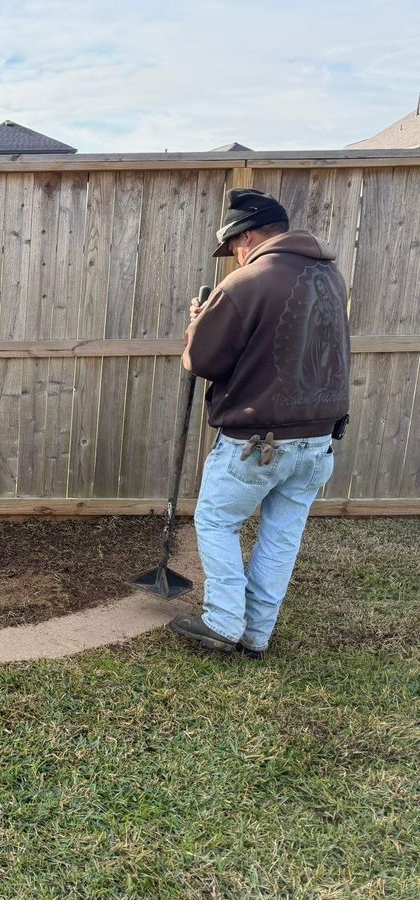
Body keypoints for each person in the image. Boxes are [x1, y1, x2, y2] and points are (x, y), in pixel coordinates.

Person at [169, 188, 350, 659]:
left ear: (246, 235)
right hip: (318, 440)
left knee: (216, 520)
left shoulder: (246, 282)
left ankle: (225, 622)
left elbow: (201, 360)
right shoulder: (330, 276)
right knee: (281, 533)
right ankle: (256, 635)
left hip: (257, 441)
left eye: (233, 248)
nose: (234, 258)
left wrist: (198, 324)